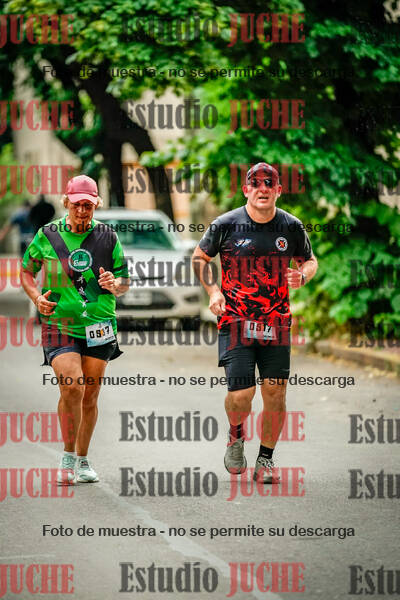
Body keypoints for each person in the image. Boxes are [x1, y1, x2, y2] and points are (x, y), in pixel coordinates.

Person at [192, 163, 318, 483]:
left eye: (269, 184)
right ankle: (236, 436)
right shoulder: (226, 224)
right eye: (256, 183)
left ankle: (265, 459)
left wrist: (302, 275)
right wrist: (213, 291)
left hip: (277, 322)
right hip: (236, 320)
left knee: (275, 392)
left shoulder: (291, 226)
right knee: (241, 394)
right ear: (246, 189)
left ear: (278, 190)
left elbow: (309, 260)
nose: (263, 189)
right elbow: (200, 258)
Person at [20, 175, 130, 485]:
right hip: (60, 323)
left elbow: (124, 282)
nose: (82, 211)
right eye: (77, 204)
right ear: (66, 202)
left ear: (96, 205)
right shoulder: (48, 234)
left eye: (88, 205)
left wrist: (115, 284)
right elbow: (27, 271)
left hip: (99, 325)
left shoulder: (108, 236)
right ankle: (68, 457)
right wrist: (36, 297)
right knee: (72, 387)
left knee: (90, 396)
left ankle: (83, 459)